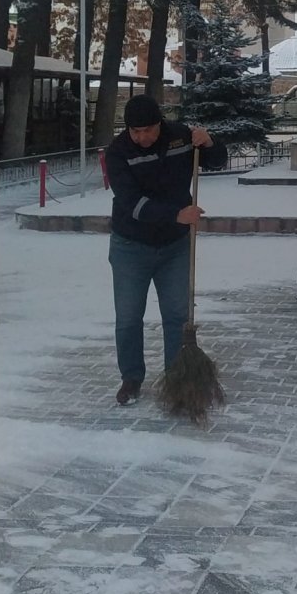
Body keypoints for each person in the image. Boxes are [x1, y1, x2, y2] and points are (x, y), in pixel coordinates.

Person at [105, 94, 228, 405]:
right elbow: (130, 203)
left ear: (160, 124)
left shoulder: (181, 138)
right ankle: (131, 378)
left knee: (177, 315)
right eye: (135, 131)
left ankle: (177, 379)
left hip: (175, 246)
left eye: (148, 130)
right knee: (129, 317)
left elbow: (217, 161)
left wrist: (209, 143)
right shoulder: (118, 152)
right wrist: (176, 215)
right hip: (131, 246)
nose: (142, 137)